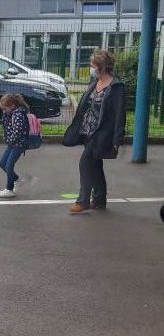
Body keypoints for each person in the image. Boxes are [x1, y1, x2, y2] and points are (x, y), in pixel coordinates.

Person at [62, 49, 126, 214]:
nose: (90, 68)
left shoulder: (116, 86)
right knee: (95, 164)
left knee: (85, 163)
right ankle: (99, 199)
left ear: (101, 67)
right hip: (88, 132)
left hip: (102, 134)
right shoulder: (94, 82)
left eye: (92, 65)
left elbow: (120, 114)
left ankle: (82, 201)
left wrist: (117, 139)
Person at [0, 93, 30, 198]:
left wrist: (10, 140)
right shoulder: (11, 113)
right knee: (2, 163)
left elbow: (18, 131)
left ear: (13, 106)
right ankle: (17, 180)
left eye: (5, 109)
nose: (4, 111)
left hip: (19, 144)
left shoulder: (18, 114)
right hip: (13, 143)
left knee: (9, 166)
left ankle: (9, 189)